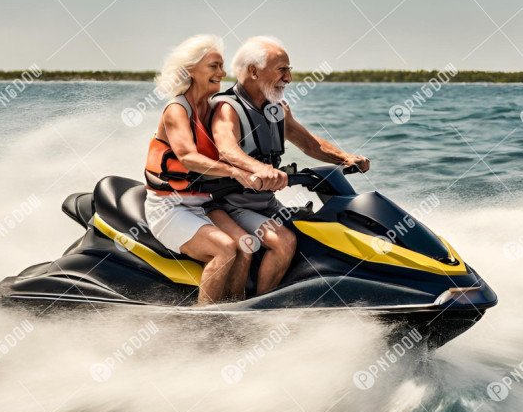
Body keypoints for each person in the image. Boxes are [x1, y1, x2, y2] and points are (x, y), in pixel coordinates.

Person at [209, 36, 370, 295]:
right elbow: (226, 149)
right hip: (232, 204)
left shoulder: (276, 109)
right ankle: (263, 308)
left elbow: (308, 143)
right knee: (283, 242)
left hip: (266, 202)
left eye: (289, 70)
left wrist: (344, 158)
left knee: (315, 232)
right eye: (281, 70)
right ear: (253, 71)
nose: (289, 79)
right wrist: (260, 169)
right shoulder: (227, 107)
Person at [143, 34, 259, 304]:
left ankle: (235, 310)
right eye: (213, 66)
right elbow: (187, 157)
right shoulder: (176, 110)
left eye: (222, 66)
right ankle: (204, 320)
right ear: (190, 70)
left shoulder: (213, 109)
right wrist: (235, 172)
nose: (222, 72)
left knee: (246, 245)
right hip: (169, 206)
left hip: (203, 203)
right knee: (225, 249)